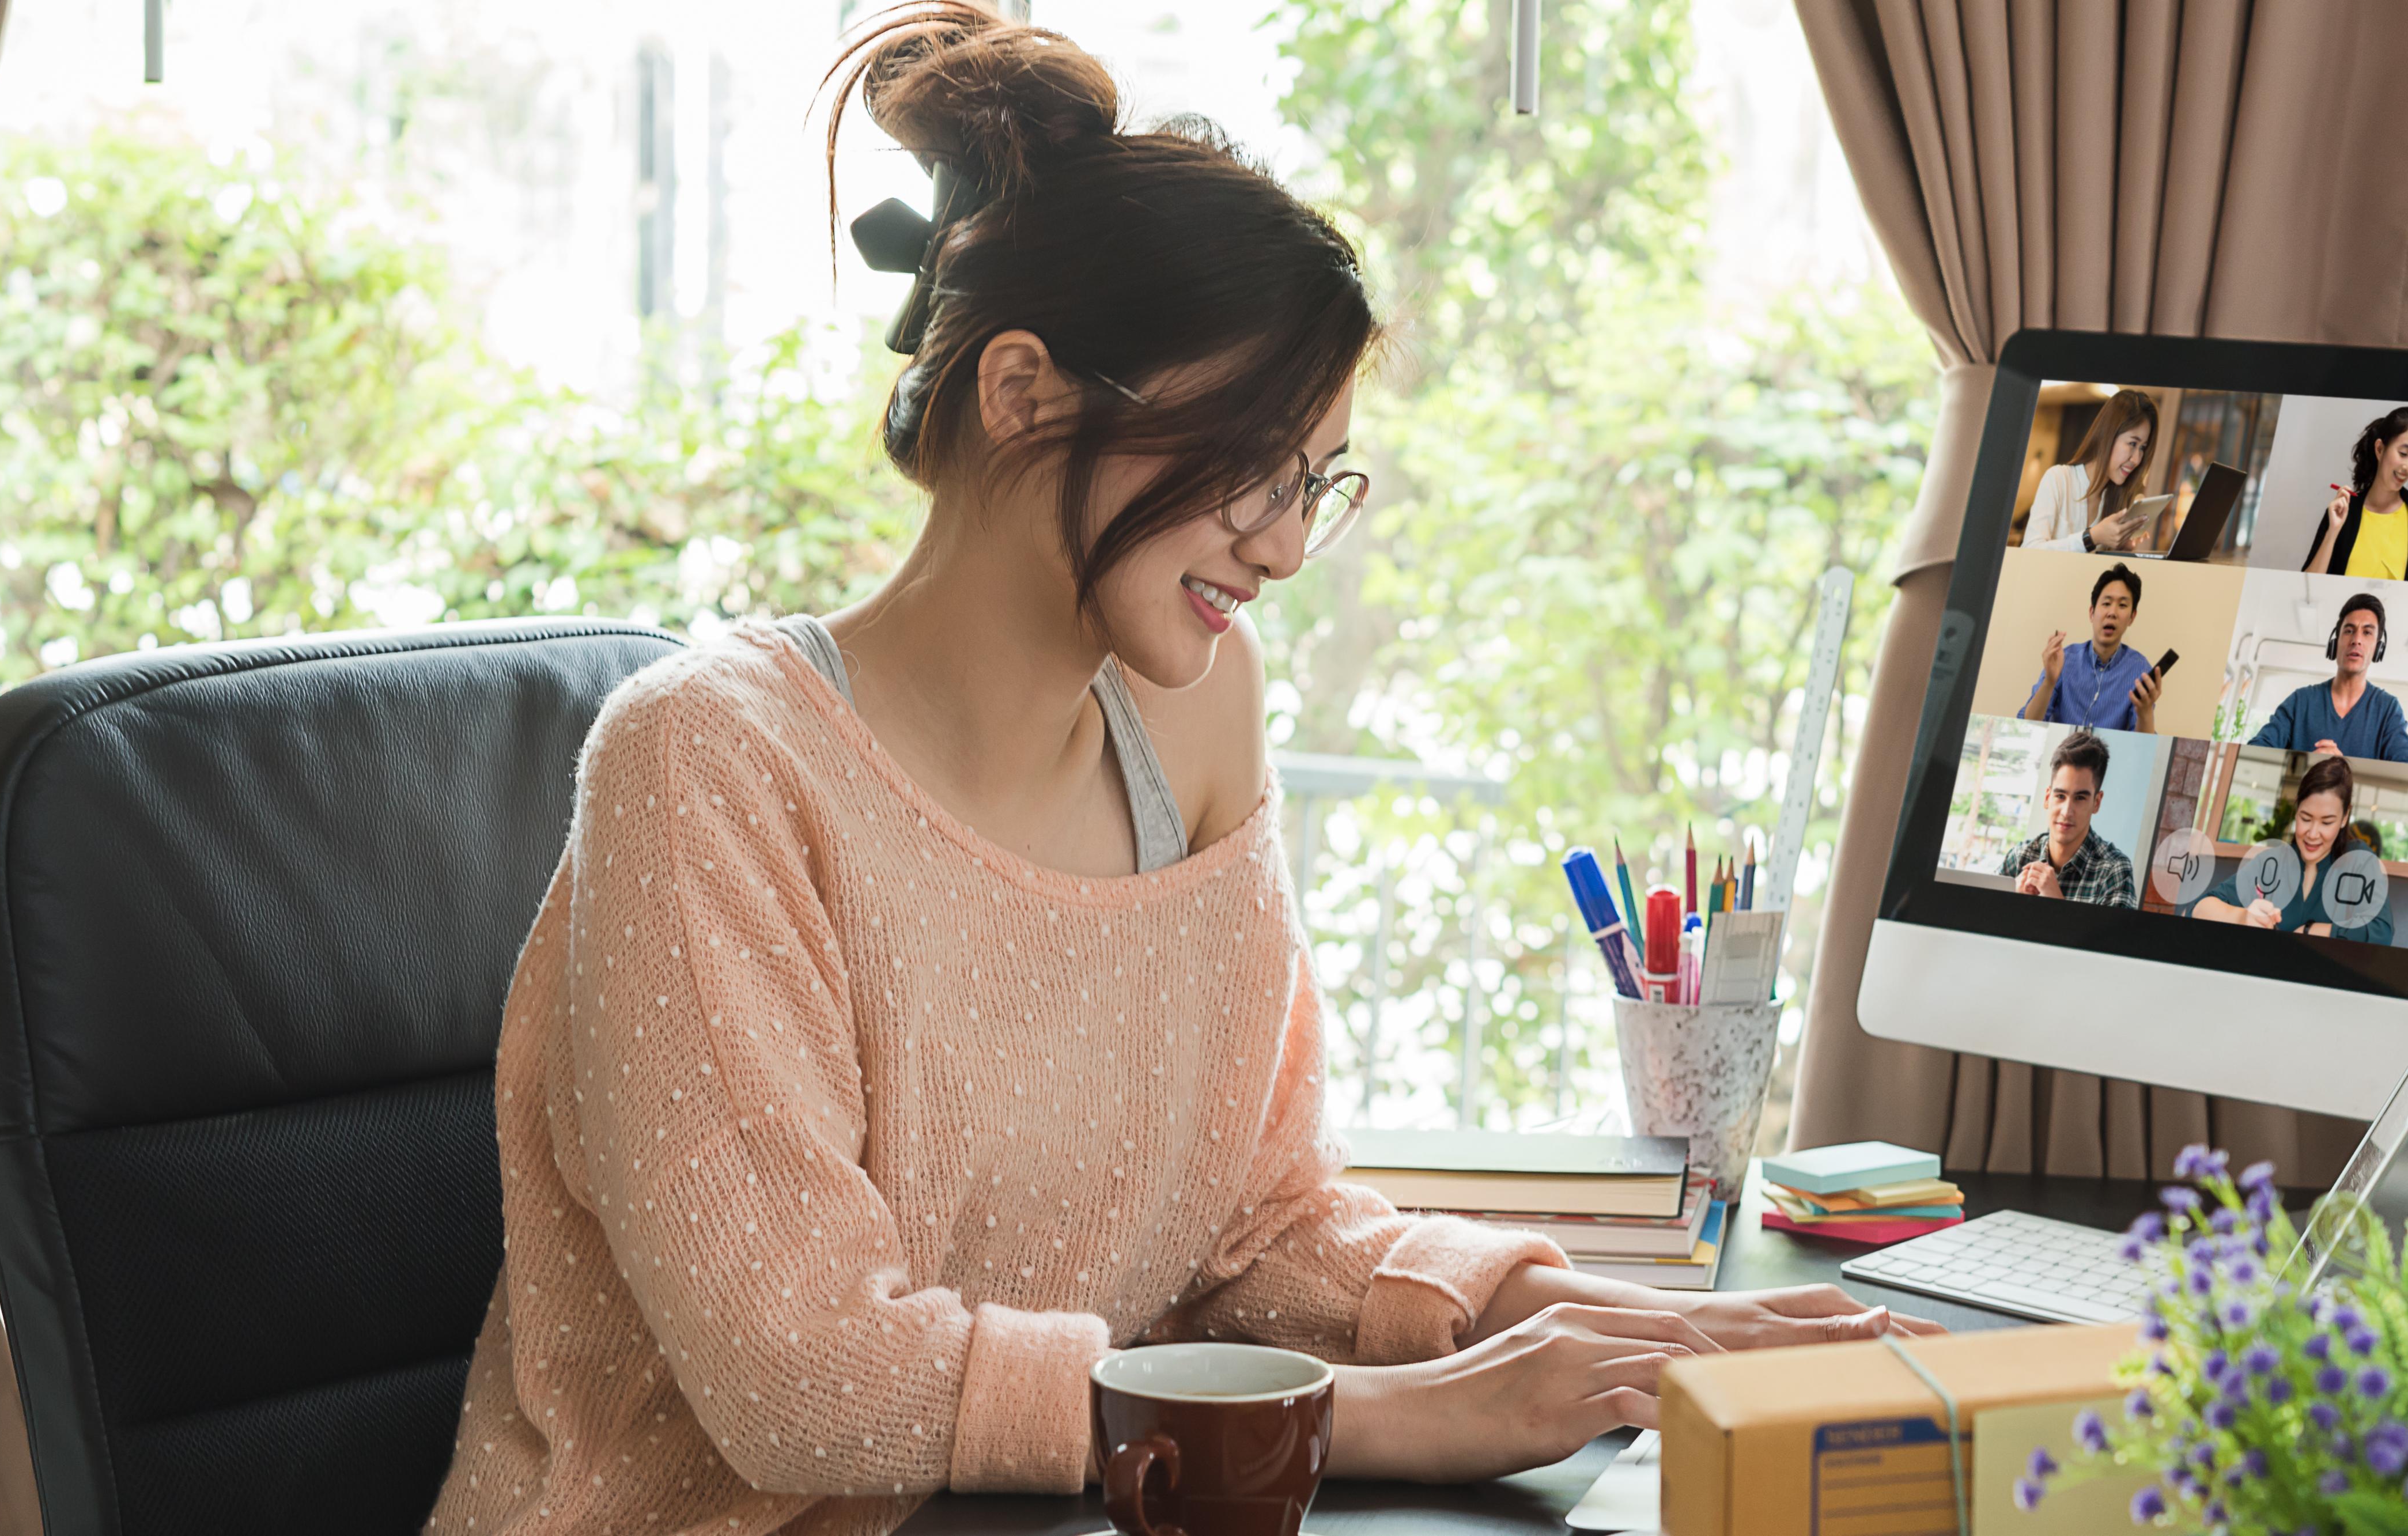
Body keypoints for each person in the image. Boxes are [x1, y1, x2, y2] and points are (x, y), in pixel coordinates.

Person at [428, 12, 1934, 1534]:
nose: (1284, 545)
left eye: (1316, 483)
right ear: (1022, 392)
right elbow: (804, 1377)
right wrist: (1406, 1415)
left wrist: (1531, 1311)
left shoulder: (1194, 721)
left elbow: (1246, 1224)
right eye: (1253, 464)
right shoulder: (712, 762)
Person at [2188, 755, 2394, 945]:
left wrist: (2310, 930)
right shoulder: (2275, 861)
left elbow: (2381, 932)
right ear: (2297, 809)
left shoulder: (2361, 861)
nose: (2313, 834)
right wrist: (2244, 917)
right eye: (2305, 818)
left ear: (2345, 817)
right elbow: (2199, 908)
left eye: (2326, 822)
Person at [2246, 593, 2408, 762]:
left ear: (2378, 648)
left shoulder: (2388, 710)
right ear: (2335, 643)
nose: (2356, 640)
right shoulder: (2301, 701)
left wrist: (2340, 769)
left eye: (2367, 633)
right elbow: (2256, 750)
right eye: (2349, 631)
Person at [2300, 406, 2408, 582]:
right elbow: (2307, 584)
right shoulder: (2345, 510)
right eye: (2403, 453)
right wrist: (2332, 533)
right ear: (2380, 449)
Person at [2016, 562, 2164, 732]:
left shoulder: (2140, 670)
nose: (2112, 613)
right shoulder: (2064, 660)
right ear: (2092, 613)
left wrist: (2145, 712)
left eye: (2122, 605)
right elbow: (2028, 725)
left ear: (2132, 617)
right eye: (2106, 603)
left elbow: (2141, 748)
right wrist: (2050, 681)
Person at [1999, 729, 2139, 906]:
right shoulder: (2020, 857)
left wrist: (2057, 903)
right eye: (2060, 796)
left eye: (2080, 798)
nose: (2067, 812)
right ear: (2048, 798)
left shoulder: (2115, 871)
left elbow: (2116, 936)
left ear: (2097, 802)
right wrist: (2009, 902)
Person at [2023, 389, 2165, 553]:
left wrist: (2120, 548)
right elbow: (2029, 550)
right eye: (2133, 444)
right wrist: (2092, 538)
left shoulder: (2117, 501)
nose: (2137, 459)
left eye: (2143, 448)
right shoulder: (2058, 479)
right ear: (2108, 436)